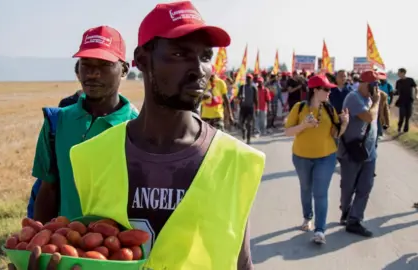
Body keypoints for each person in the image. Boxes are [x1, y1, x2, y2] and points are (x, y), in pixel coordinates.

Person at [15, 2, 266, 270]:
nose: (198, 69)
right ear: (143, 59)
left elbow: (242, 261)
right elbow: (81, 252)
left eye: (205, 56)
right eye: (180, 53)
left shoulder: (238, 161)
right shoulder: (90, 157)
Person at [31, 26, 139, 223]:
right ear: (77, 70)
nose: (93, 74)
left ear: (124, 70)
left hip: (119, 249)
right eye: (86, 64)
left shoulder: (138, 127)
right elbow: (48, 189)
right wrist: (40, 242)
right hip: (66, 248)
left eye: (104, 65)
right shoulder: (57, 122)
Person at [284, 74, 349, 245]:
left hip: (326, 158)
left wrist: (344, 124)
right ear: (315, 90)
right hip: (301, 157)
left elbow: (336, 134)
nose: (329, 92)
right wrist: (304, 125)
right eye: (326, 89)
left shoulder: (329, 109)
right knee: (306, 188)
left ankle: (320, 230)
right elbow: (288, 132)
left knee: (320, 193)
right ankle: (308, 217)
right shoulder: (299, 108)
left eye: (329, 89)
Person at [338, 70, 380, 237]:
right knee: (348, 187)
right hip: (351, 152)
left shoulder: (369, 98)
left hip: (369, 153)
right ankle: (346, 210)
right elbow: (369, 117)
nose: (377, 89)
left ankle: (354, 220)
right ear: (364, 84)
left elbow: (375, 122)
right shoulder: (353, 98)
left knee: (365, 186)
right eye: (374, 85)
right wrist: (377, 102)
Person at [395, 67, 417, 133]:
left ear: (403, 73)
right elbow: (397, 92)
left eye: (399, 73)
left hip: (409, 100)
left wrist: (416, 95)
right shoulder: (398, 82)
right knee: (402, 115)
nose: (398, 74)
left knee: (408, 115)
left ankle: (405, 130)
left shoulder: (410, 80)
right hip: (401, 101)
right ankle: (399, 127)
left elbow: (416, 87)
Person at [237, 74, 258, 143]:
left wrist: (257, 109)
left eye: (250, 78)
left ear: (252, 79)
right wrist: (240, 98)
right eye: (247, 78)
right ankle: (243, 131)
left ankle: (248, 139)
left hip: (250, 108)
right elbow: (238, 96)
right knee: (241, 122)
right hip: (243, 107)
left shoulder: (254, 88)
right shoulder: (242, 87)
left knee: (249, 124)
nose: (248, 80)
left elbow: (256, 99)